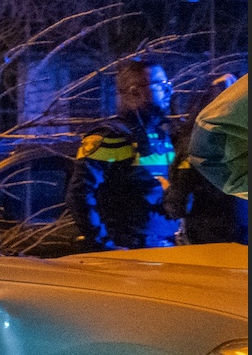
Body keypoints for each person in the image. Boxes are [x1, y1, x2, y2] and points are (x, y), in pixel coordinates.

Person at [66, 60, 179, 250]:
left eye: (168, 85)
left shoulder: (162, 135)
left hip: (166, 249)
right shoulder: (109, 136)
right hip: (129, 255)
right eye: (160, 85)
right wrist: (105, 245)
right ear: (135, 91)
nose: (170, 91)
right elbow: (79, 194)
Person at [164, 73, 250, 244]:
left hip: (215, 236)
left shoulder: (198, 143)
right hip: (218, 236)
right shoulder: (199, 144)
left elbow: (178, 202)